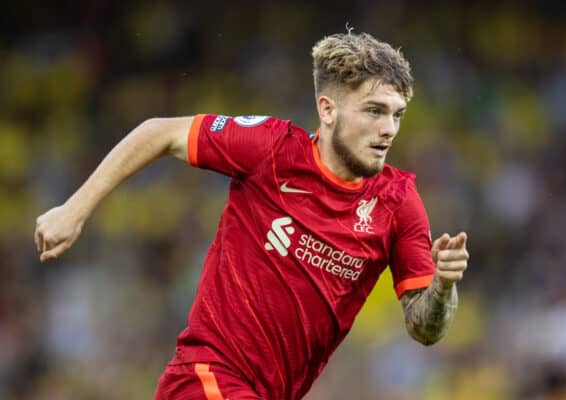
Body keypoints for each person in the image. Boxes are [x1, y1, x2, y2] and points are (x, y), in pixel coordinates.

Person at [34, 31, 470, 399]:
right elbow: (161, 132)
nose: (389, 128)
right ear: (328, 110)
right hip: (205, 378)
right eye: (374, 111)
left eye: (397, 115)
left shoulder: (397, 201)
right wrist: (74, 209)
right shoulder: (272, 150)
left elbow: (424, 328)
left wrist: (444, 286)